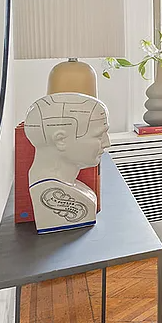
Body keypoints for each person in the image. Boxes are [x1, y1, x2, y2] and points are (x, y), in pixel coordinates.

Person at [22, 92, 110, 233]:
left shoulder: (75, 187)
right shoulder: (47, 189)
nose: (107, 143)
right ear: (60, 140)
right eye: (99, 135)